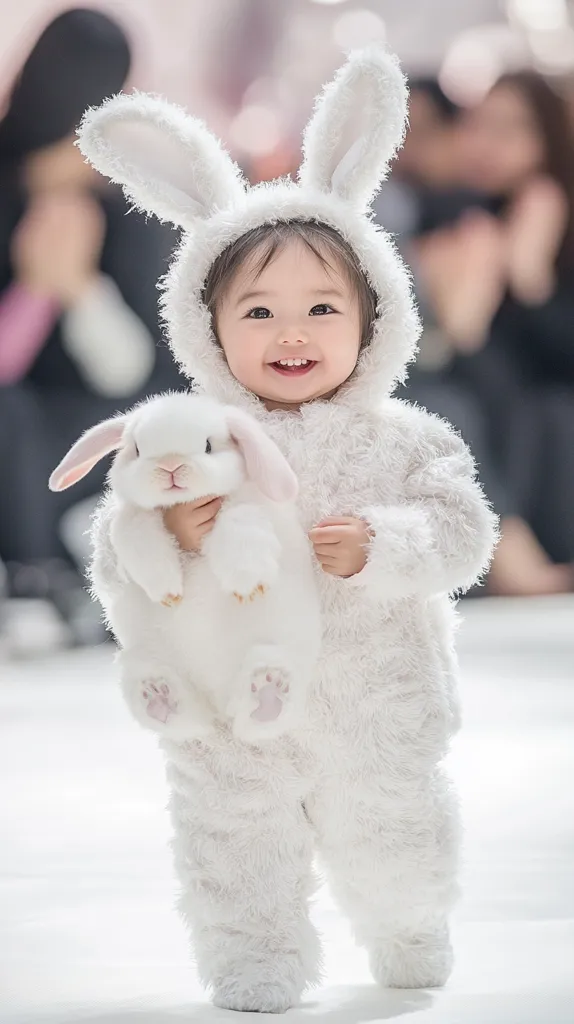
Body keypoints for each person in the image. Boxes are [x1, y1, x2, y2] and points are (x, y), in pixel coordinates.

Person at [78, 50, 498, 1012]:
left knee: (393, 828)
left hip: (373, 699)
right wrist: (175, 537)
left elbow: (462, 530)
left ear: (374, 315)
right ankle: (251, 953)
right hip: (231, 699)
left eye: (322, 307)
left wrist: (385, 545)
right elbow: (115, 548)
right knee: (234, 832)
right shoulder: (188, 436)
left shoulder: (405, 439)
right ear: (208, 325)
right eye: (258, 311)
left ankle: (407, 920)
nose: (291, 332)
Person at [0, 9, 178, 639]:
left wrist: (78, 289)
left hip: (88, 427)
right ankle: (33, 578)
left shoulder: (131, 207)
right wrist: (35, 285)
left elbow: (136, 373)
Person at [410, 72, 574, 594]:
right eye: (480, 126)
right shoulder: (451, 214)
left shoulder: (547, 217)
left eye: (511, 130)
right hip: (461, 385)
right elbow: (460, 335)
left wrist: (529, 273)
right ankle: (511, 553)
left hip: (530, 398)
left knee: (547, 408)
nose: (488, 146)